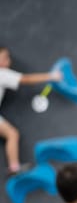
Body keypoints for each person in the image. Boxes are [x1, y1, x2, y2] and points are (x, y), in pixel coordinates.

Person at [0, 46, 62, 177]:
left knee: (12, 134)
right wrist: (51, 76)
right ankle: (14, 168)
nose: (8, 61)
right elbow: (26, 79)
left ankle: (14, 167)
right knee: (12, 134)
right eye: (4, 57)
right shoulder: (2, 74)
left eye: (8, 57)